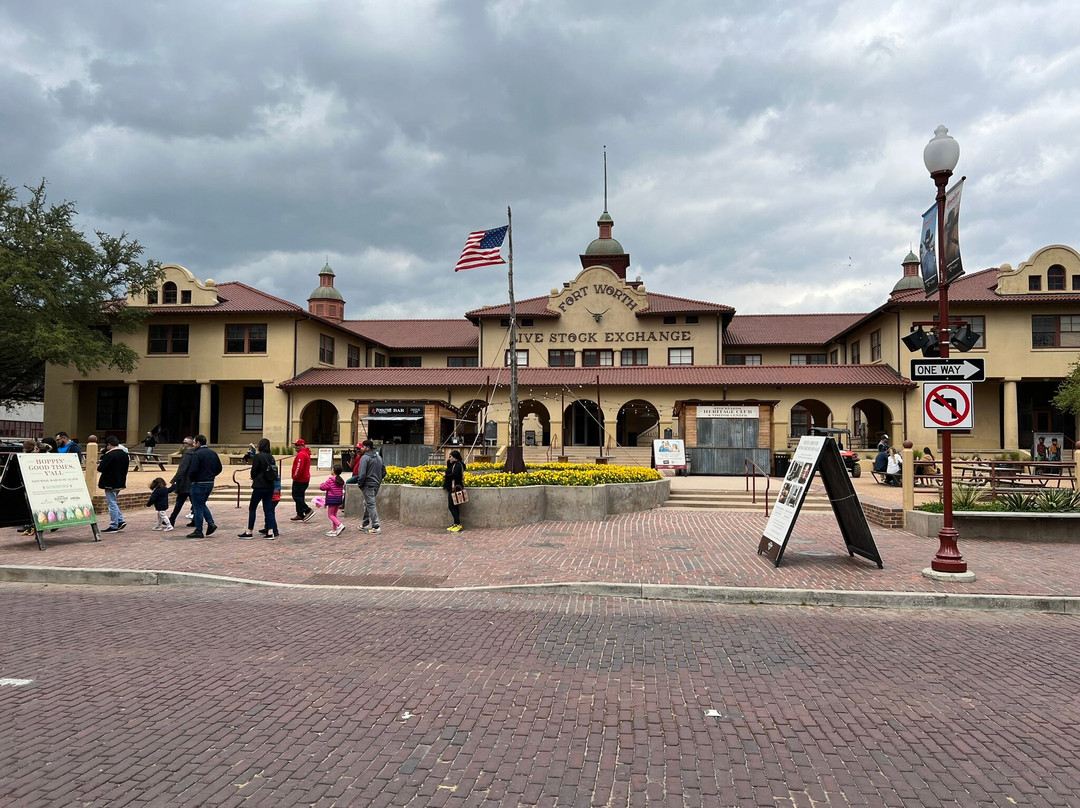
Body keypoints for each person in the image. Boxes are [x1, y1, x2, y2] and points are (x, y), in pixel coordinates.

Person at [238, 439, 280, 539]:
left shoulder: (258, 456)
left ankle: (249, 531)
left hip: (259, 486)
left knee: (252, 507)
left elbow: (254, 471)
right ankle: (270, 532)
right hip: (270, 486)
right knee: (268, 509)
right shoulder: (271, 457)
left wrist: (254, 477)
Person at [186, 434, 222, 538]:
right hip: (210, 482)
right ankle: (210, 523)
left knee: (197, 507)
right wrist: (211, 475)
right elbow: (219, 468)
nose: (193, 445)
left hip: (199, 483)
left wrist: (192, 478)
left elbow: (193, 470)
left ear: (198, 443)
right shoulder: (213, 453)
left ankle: (198, 530)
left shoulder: (196, 454)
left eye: (194, 443)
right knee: (201, 504)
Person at [97, 435, 130, 532]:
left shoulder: (110, 455)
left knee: (111, 503)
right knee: (113, 502)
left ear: (109, 445)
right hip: (120, 481)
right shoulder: (124, 454)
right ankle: (120, 520)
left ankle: (114, 524)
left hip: (110, 481)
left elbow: (101, 468)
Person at [355, 439, 386, 535]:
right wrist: (378, 480)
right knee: (368, 503)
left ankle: (376, 526)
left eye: (363, 447)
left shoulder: (364, 458)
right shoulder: (379, 457)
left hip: (368, 484)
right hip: (376, 484)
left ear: (367, 448)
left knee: (371, 504)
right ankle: (365, 523)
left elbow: (362, 473)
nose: (361, 448)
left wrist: (360, 483)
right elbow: (384, 472)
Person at [168, 437, 195, 527]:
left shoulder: (187, 455)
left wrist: (174, 479)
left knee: (179, 502)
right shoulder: (195, 454)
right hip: (192, 481)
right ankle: (195, 520)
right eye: (183, 442)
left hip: (185, 482)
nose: (183, 444)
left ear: (190, 444)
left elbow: (182, 470)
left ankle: (172, 519)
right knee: (195, 503)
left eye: (185, 443)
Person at [290, 439, 314, 522]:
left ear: (302, 446)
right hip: (304, 479)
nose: (295, 447)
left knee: (296, 495)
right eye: (295, 445)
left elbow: (299, 467)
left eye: (297, 446)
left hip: (300, 479)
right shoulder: (304, 454)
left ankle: (307, 510)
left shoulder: (301, 455)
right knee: (300, 496)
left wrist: (295, 476)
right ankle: (300, 514)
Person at [319, 464, 346, 537]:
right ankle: (334, 530)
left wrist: (321, 484)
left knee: (330, 515)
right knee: (334, 515)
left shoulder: (330, 480)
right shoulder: (340, 480)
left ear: (334, 471)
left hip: (332, 500)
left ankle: (340, 525)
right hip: (338, 499)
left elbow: (323, 487)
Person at [443, 449, 466, 532]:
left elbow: (455, 475)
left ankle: (458, 524)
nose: (449, 458)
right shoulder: (453, 464)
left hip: (455, 488)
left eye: (451, 456)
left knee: (452, 506)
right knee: (454, 506)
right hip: (452, 488)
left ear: (455, 457)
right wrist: (448, 462)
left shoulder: (458, 465)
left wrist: (446, 476)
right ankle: (456, 523)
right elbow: (449, 469)